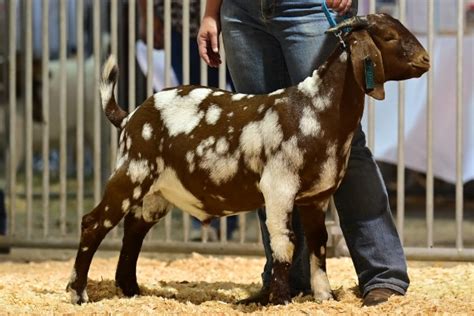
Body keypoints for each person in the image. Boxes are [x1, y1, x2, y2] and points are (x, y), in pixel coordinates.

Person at [197, 0, 409, 307]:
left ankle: (383, 274)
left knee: (341, 141)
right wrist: (211, 11)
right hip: (241, 13)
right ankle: (286, 279)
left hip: (310, 6)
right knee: (267, 146)